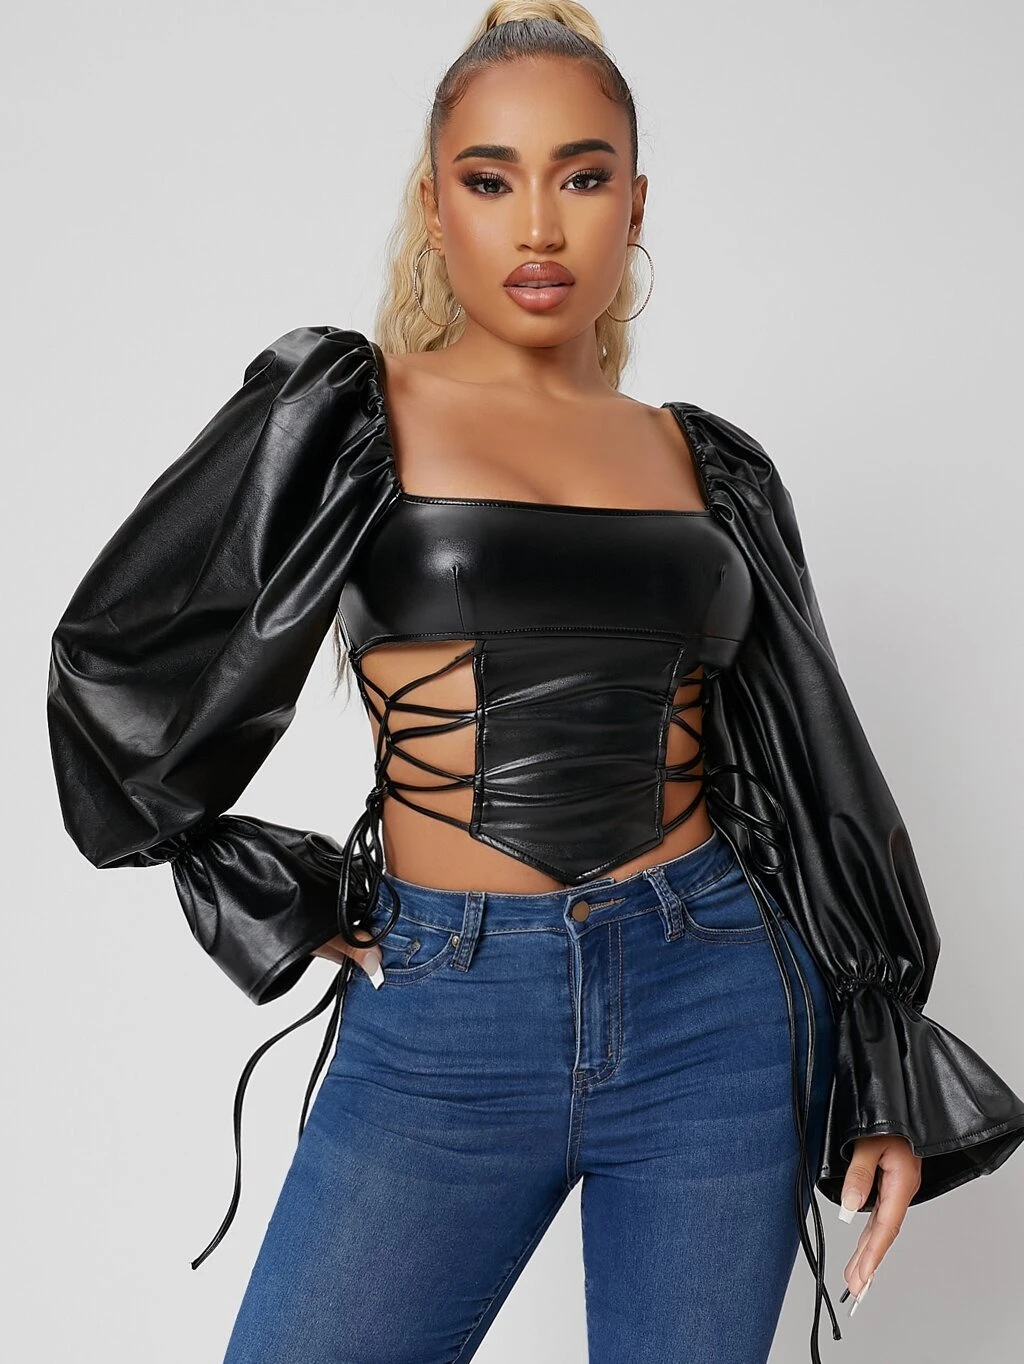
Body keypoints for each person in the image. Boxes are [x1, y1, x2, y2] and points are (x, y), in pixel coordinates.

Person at [45, 5, 1024, 1363]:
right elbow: (114, 673)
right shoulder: (345, 412)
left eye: (583, 176)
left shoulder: (708, 463)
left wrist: (875, 1050)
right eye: (492, 180)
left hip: (717, 1009)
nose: (542, 227)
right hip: (445, 1011)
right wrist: (274, 891)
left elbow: (815, 765)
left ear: (637, 205)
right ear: (435, 207)